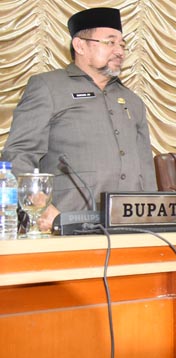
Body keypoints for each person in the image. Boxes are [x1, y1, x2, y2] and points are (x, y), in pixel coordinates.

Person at [1, 7, 156, 231]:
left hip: (130, 227)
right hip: (66, 224)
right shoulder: (48, 87)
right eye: (110, 42)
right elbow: (18, 154)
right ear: (80, 45)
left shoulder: (132, 100)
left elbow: (146, 169)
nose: (119, 51)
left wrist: (154, 218)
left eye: (122, 45)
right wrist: (42, 207)